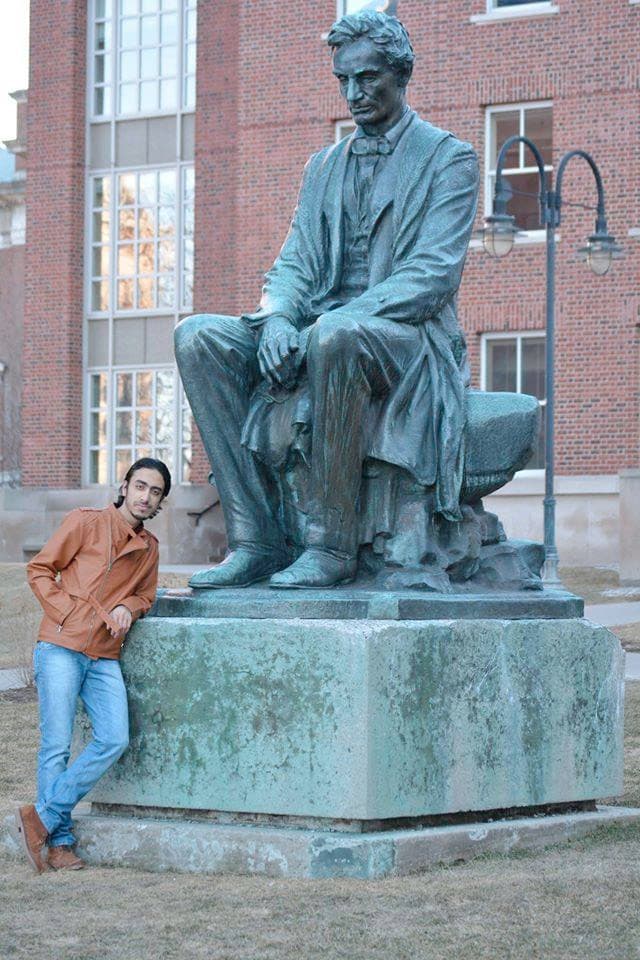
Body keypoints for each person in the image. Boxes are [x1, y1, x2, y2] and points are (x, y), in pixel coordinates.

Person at [175, 11, 479, 590]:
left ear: (400, 73)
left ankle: (332, 547)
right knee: (199, 337)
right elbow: (293, 261)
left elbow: (431, 276)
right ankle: (256, 538)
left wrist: (330, 320)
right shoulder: (323, 167)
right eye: (343, 80)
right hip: (321, 326)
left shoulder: (449, 159)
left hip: (404, 339)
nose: (354, 93)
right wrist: (280, 319)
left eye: (367, 78)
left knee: (333, 336)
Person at [16, 457, 171, 873]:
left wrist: (128, 605)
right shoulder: (84, 523)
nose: (145, 497)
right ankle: (60, 843)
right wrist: (66, 613)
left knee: (114, 738)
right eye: (140, 486)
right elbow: (39, 570)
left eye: (155, 492)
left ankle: (42, 818)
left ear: (159, 503)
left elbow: (146, 597)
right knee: (56, 746)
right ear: (125, 486)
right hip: (61, 647)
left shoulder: (149, 549)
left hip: (104, 655)